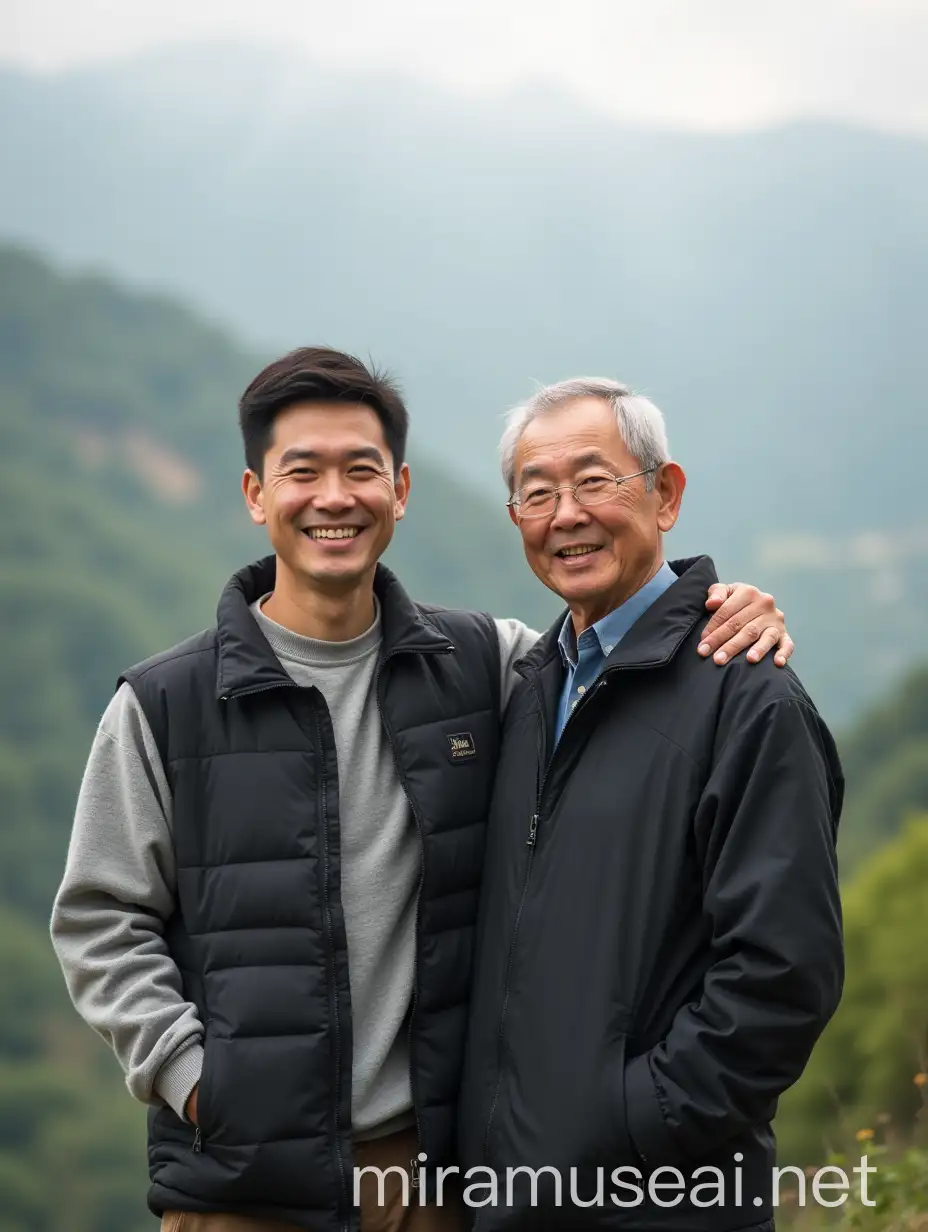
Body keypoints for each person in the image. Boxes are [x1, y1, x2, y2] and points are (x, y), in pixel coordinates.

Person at [50, 351, 794, 1232]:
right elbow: (101, 918)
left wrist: (721, 609)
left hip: (430, 1183)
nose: (335, 497)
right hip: (241, 1188)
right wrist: (196, 1081)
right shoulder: (164, 705)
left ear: (401, 490)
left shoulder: (487, 664)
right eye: (303, 472)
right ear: (257, 495)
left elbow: (617, 654)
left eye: (362, 470)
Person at [457, 378, 844, 1231]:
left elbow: (784, 972)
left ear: (664, 495)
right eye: (537, 492)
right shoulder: (529, 691)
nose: (566, 515)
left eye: (596, 481)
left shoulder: (748, 699)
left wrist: (638, 1125)